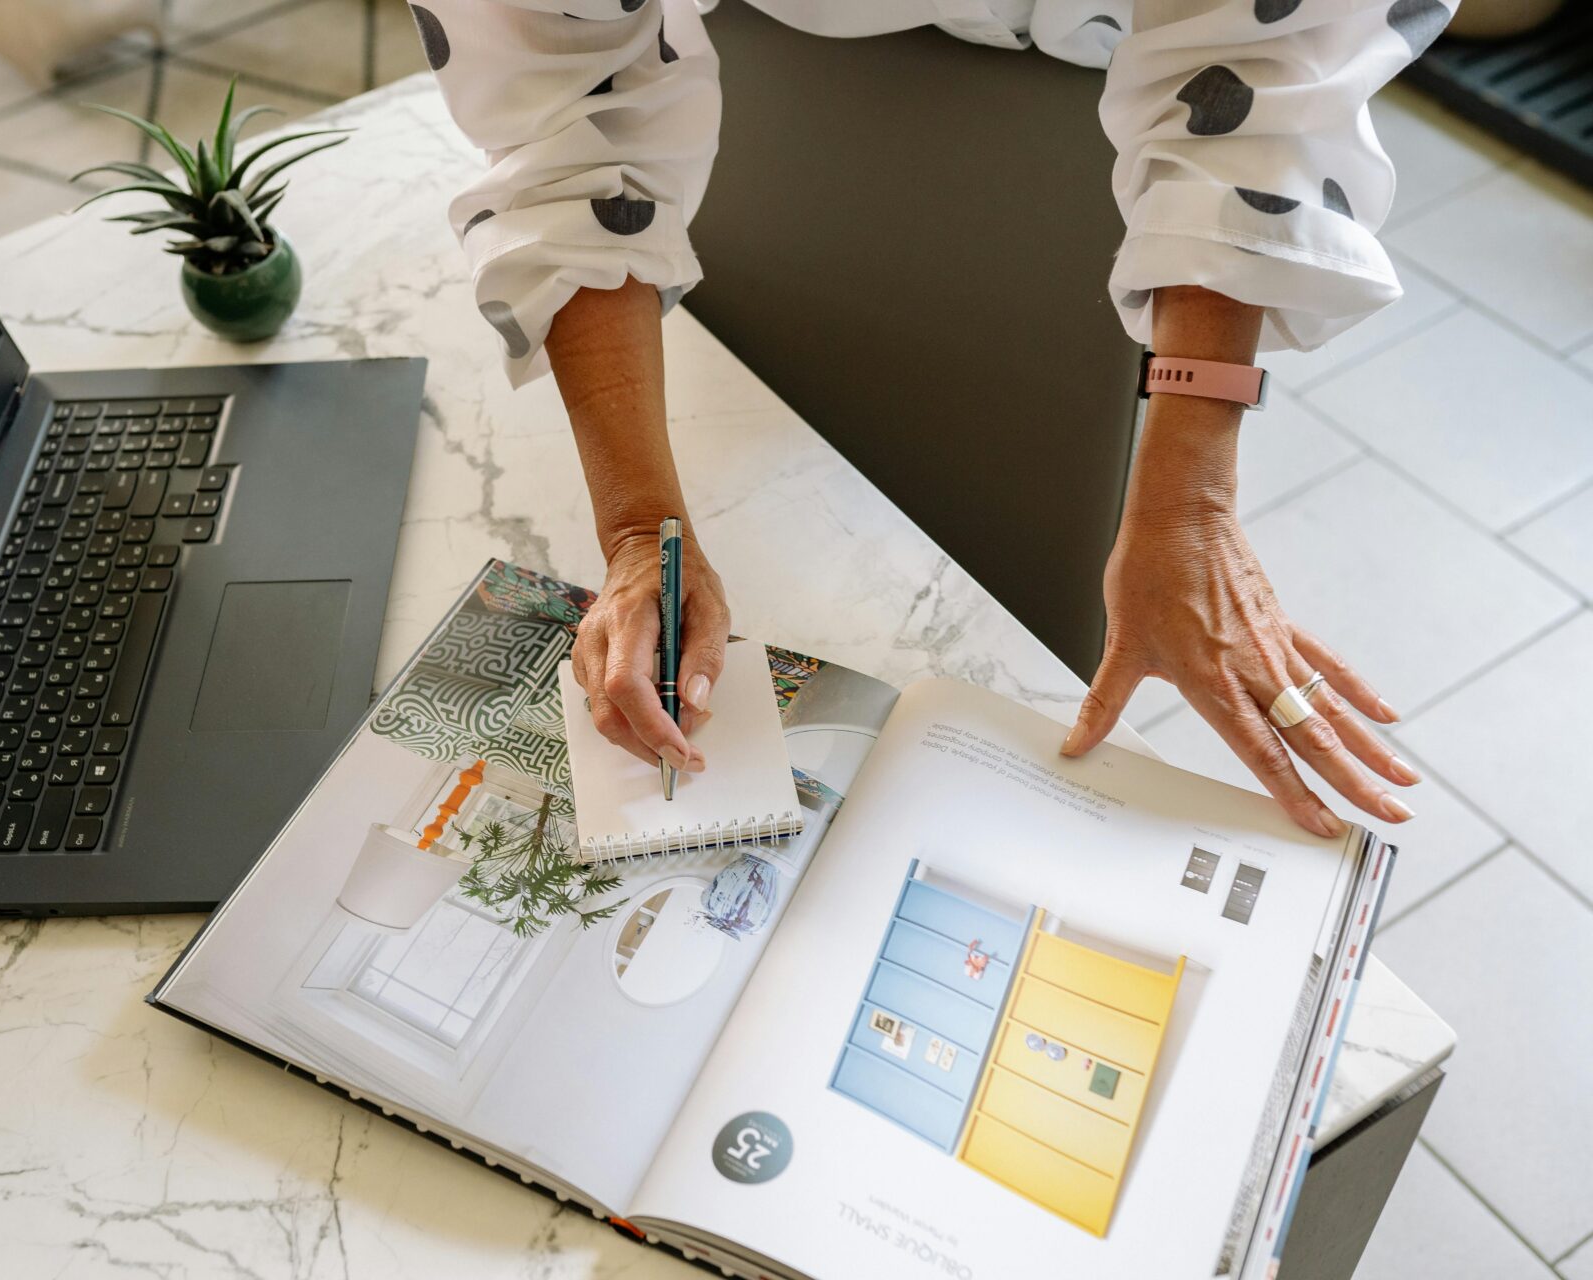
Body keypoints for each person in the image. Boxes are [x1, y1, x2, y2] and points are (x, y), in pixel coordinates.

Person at [411, 0, 1447, 838]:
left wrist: (1190, 490)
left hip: (1138, 66)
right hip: (778, 60)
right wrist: (640, 529)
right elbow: (563, 112)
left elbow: (1262, 45)